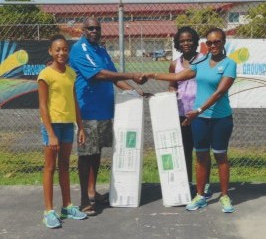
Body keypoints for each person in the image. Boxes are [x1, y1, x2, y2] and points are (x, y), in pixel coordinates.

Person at [146, 27, 236, 213]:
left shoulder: (229, 63)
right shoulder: (201, 63)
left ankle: (225, 196)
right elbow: (178, 76)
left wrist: (199, 109)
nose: (213, 45)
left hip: (219, 118)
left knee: (220, 156)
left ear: (223, 42)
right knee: (200, 156)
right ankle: (200, 196)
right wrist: (151, 75)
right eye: (209, 43)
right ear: (206, 45)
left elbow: (220, 92)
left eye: (217, 42)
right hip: (199, 118)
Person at [69, 17, 147, 216]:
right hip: (86, 112)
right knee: (86, 155)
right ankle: (84, 200)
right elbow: (98, 75)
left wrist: (134, 91)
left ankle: (92, 190)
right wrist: (132, 74)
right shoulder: (80, 49)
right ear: (83, 30)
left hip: (104, 111)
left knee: (96, 153)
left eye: (97, 28)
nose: (95, 31)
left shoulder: (101, 50)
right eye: (91, 28)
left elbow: (114, 77)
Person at [38, 34, 87, 229]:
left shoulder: (71, 73)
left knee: (65, 166)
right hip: (52, 126)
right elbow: (42, 106)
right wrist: (50, 133)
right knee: (50, 167)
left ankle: (67, 206)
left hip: (68, 125)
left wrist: (80, 126)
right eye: (57, 49)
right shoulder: (45, 75)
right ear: (51, 51)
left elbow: (74, 101)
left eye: (64, 49)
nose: (61, 52)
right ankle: (49, 211)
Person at [169, 26, 212, 198]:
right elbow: (172, 84)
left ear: (195, 42)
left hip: (201, 113)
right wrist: (172, 92)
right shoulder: (174, 64)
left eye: (189, 40)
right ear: (178, 44)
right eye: (182, 41)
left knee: (202, 151)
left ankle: (205, 185)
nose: (186, 43)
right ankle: (187, 184)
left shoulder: (204, 60)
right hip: (182, 114)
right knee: (184, 150)